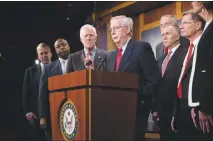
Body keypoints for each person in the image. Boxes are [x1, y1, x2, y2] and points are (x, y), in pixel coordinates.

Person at [107, 15, 161, 141]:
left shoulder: (141, 47)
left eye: (116, 28)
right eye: (111, 29)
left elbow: (154, 78)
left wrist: (141, 101)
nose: (113, 32)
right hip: (114, 109)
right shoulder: (112, 55)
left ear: (127, 29)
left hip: (136, 110)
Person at [172, 12, 206, 141]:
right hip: (182, 110)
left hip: (199, 110)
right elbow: (182, 82)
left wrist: (202, 106)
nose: (181, 26)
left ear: (198, 25)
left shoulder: (206, 47)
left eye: (185, 23)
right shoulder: (187, 50)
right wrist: (176, 114)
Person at [151, 25, 187, 141]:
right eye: (162, 35)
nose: (164, 37)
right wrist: (154, 108)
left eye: (168, 34)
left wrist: (175, 112)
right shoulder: (161, 58)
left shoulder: (185, 55)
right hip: (161, 113)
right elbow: (157, 84)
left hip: (178, 112)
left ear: (177, 36)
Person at [38, 38, 70, 141]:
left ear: (69, 46)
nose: (61, 47)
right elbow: (42, 94)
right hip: (54, 113)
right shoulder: (48, 68)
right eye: (58, 46)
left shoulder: (79, 62)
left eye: (64, 44)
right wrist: (42, 116)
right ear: (55, 51)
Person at [189, 1, 213, 136]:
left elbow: (209, 70)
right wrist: (196, 104)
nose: (192, 2)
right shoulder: (207, 27)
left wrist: (204, 106)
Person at [22, 43, 52, 141]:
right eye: (41, 53)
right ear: (38, 56)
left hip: (55, 110)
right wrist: (28, 112)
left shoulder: (58, 67)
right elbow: (25, 93)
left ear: (51, 53)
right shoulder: (30, 72)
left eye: (46, 52)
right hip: (36, 114)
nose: (44, 55)